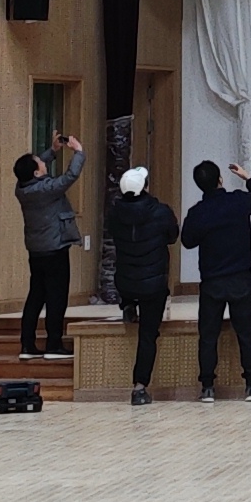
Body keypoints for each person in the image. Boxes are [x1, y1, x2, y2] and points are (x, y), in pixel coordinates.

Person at [180, 158, 251, 402]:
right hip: (241, 278)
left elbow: (187, 241)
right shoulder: (237, 201)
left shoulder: (198, 212)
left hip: (212, 282)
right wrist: (247, 177)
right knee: (246, 333)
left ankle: (207, 387)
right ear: (220, 179)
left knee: (208, 336)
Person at [101, 164, 179, 405]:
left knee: (129, 279)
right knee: (148, 335)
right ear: (145, 187)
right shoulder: (161, 212)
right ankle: (139, 387)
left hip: (125, 281)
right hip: (153, 285)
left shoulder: (114, 214)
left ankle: (127, 305)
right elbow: (173, 237)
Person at [13, 136, 83, 358]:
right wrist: (78, 152)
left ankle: (27, 345)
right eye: (40, 162)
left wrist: (52, 150)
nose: (44, 163)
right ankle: (54, 344)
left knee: (36, 296)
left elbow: (34, 169)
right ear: (36, 173)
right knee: (57, 296)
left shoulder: (21, 188)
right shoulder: (46, 189)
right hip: (55, 248)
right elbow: (70, 176)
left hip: (36, 251)